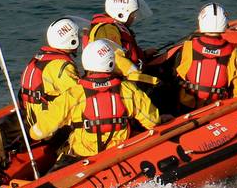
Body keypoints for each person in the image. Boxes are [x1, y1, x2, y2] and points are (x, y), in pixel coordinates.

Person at [29, 39, 169, 166]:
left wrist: (33, 133)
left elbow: (42, 129)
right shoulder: (128, 90)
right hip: (119, 150)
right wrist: (161, 119)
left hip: (83, 154)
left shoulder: (73, 94)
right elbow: (152, 121)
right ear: (111, 62)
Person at [175, 3, 237, 112]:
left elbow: (180, 73)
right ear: (225, 24)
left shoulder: (188, 46)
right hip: (217, 107)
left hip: (187, 105)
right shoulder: (234, 51)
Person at [19, 17, 82, 126]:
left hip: (34, 117)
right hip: (49, 123)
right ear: (72, 40)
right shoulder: (62, 66)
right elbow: (79, 95)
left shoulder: (40, 58)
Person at [83, 0, 157, 76]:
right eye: (132, 14)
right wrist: (136, 74)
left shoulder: (112, 27)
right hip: (121, 78)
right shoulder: (107, 29)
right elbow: (115, 58)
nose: (134, 18)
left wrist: (143, 55)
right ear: (121, 14)